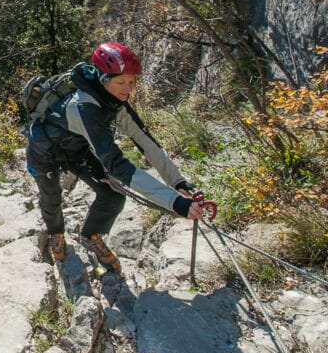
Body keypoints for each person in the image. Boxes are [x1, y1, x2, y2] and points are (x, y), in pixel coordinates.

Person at [25, 42, 206, 272]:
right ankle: (56, 234)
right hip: (44, 152)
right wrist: (175, 202)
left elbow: (147, 143)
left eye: (131, 82)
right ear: (103, 79)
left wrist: (178, 183)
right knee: (51, 197)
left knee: (113, 196)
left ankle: (90, 235)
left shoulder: (113, 101)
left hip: (77, 148)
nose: (127, 89)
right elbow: (117, 165)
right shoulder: (84, 107)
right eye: (121, 82)